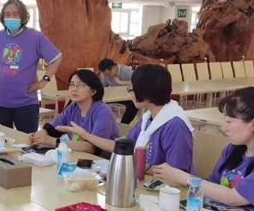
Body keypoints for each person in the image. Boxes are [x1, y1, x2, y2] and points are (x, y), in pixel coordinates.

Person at [153, 88, 254, 211]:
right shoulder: (232, 150)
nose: (223, 128)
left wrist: (183, 177)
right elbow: (211, 185)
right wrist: (178, 179)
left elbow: (233, 198)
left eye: (229, 121)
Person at [57, 64, 194, 172]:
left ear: (146, 91)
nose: (130, 94)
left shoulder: (175, 126)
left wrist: (140, 166)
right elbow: (120, 146)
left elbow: (176, 173)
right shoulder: (148, 119)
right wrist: (85, 135)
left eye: (131, 89)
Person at [0, 0, 62, 133]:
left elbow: (57, 58)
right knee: (2, 140)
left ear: (23, 16)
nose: (11, 17)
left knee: (27, 141)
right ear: (3, 17)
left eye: (15, 14)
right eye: (7, 14)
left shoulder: (36, 37)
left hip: (26, 103)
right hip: (2, 101)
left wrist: (44, 81)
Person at [31, 69, 118, 158]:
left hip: (101, 161)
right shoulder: (73, 107)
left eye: (81, 85)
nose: (74, 89)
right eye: (71, 85)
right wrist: (43, 133)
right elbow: (53, 127)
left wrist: (52, 141)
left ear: (93, 91)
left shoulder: (103, 112)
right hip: (78, 157)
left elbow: (91, 147)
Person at [98, 58, 137, 124]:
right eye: (105, 75)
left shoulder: (125, 71)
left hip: (130, 98)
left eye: (108, 74)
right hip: (117, 98)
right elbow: (102, 87)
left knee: (127, 114)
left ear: (114, 68)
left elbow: (138, 82)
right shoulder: (106, 76)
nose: (107, 76)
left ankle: (122, 124)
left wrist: (121, 82)